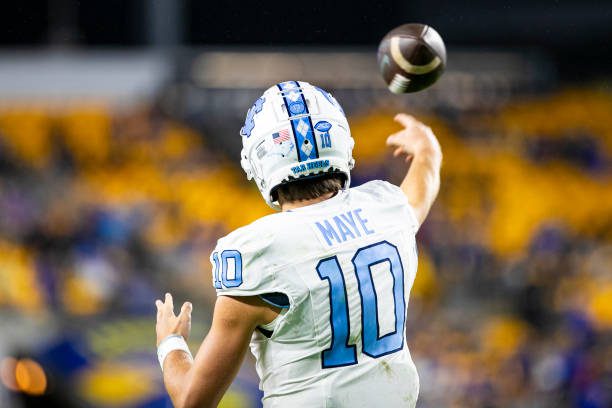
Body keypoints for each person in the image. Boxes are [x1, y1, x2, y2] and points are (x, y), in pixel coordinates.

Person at [155, 80, 442, 408]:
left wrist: (171, 343)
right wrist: (428, 149)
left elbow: (192, 399)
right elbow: (423, 186)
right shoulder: (387, 210)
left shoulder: (258, 253)